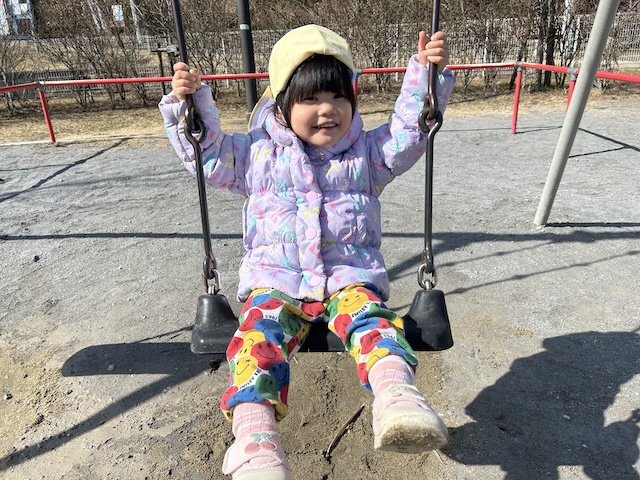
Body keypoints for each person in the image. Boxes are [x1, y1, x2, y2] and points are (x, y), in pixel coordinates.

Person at [159, 24, 455, 480]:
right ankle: (255, 443)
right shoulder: (255, 155)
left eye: (338, 97)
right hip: (275, 283)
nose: (327, 109)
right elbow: (207, 153)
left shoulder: (368, 154)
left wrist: (426, 74)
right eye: (310, 99)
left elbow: (410, 131)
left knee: (375, 324)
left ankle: (397, 400)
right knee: (255, 344)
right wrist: (189, 103)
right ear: (281, 103)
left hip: (348, 279)